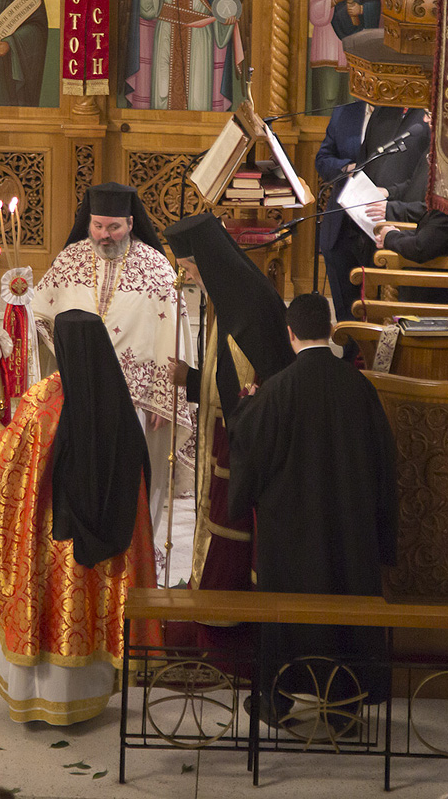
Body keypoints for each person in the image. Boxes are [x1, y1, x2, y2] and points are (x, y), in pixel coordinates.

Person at [0, 310, 160, 725]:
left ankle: (41, 700)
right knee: (86, 619)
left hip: (55, 544)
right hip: (104, 551)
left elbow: (11, 463)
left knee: (52, 615)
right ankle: (88, 698)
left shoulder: (46, 398)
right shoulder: (117, 397)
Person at [227, 293, 397, 725]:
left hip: (291, 537)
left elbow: (249, 450)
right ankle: (344, 706)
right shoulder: (360, 387)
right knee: (347, 609)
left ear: (290, 334)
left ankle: (278, 698)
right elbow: (385, 461)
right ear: (331, 330)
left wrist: (246, 404)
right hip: (350, 531)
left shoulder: (276, 390)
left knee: (287, 613)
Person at [32, 182, 195, 528]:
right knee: (82, 476)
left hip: (136, 400)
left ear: (131, 224)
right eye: (98, 226)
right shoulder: (70, 260)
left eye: (114, 227)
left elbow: (174, 337)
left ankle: (141, 551)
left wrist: (166, 400)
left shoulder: (157, 270)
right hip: (79, 392)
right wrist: (17, 309)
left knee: (133, 481)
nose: (105, 235)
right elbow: (39, 316)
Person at [163, 214, 293, 606]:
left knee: (230, 516)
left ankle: (223, 602)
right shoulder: (231, 294)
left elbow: (246, 385)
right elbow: (228, 375)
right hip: (233, 425)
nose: (186, 278)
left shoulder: (248, 307)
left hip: (243, 435)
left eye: (189, 269)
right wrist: (191, 378)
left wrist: (191, 380)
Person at [316, 103, 430, 329]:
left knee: (379, 306)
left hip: (394, 225)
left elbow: (418, 185)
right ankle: (351, 353)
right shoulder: (361, 112)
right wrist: (347, 169)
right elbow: (332, 159)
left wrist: (390, 198)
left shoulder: (423, 121)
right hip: (347, 218)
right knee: (347, 305)